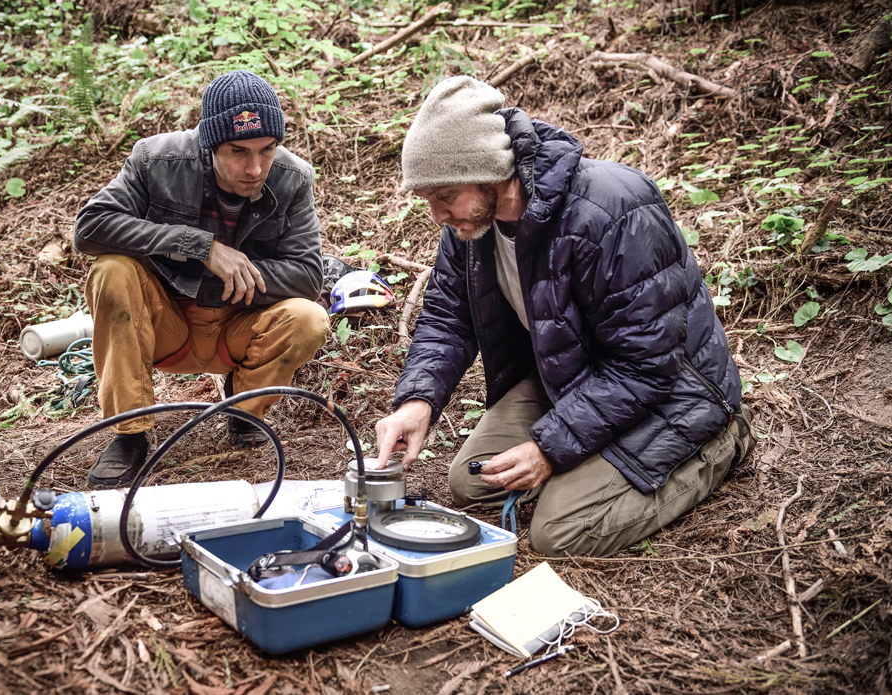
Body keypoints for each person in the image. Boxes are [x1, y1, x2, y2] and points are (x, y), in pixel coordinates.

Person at [374, 76, 755, 558]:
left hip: (678, 393)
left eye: (444, 196)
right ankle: (593, 458)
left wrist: (549, 449)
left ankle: (722, 444)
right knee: (471, 484)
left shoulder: (611, 209)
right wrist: (418, 400)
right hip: (573, 376)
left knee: (559, 533)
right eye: (428, 200)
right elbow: (449, 318)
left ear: (489, 169)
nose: (438, 216)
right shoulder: (471, 226)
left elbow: (647, 364)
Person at [74, 70, 329, 489]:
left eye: (267, 150)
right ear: (209, 143)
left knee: (309, 318)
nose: (255, 167)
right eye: (238, 151)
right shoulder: (156, 160)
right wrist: (201, 247)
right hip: (164, 324)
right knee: (112, 270)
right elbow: (90, 228)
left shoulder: (293, 178)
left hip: (238, 327)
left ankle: (244, 409)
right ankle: (130, 434)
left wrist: (230, 277)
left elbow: (307, 276)